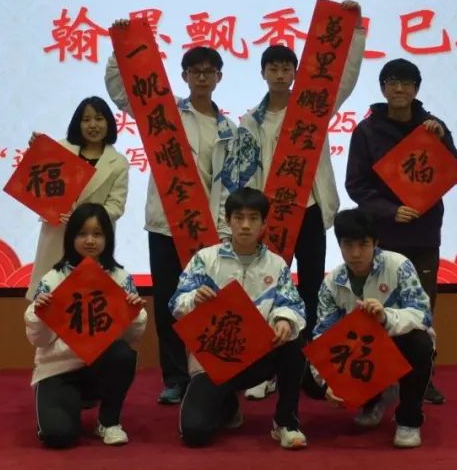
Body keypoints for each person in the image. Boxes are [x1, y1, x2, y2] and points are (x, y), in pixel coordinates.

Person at [230, 0, 365, 400]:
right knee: (268, 290)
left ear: (294, 73)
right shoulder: (249, 121)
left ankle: (305, 366)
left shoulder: (314, 107)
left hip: (308, 212)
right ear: (263, 73)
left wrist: (355, 31)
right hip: (270, 218)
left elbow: (344, 79)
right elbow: (246, 173)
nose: (280, 74)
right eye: (273, 68)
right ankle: (266, 369)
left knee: (308, 290)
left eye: (286, 68)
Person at [105, 32, 237, 405]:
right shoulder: (165, 113)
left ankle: (209, 372)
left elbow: (231, 182)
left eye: (208, 72)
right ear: (183, 76)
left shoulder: (230, 130)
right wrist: (119, 50)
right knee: (169, 302)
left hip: (209, 231)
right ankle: (175, 377)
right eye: (195, 72)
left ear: (219, 77)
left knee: (208, 303)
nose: (201, 78)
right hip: (166, 226)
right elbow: (122, 95)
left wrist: (225, 230)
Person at [344, 58, 457, 405]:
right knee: (377, 307)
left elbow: (453, 170)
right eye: (392, 82)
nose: (399, 89)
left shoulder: (432, 127)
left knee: (421, 306)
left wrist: (442, 143)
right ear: (382, 88)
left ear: (416, 89)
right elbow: (356, 185)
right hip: (383, 237)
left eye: (407, 83)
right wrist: (390, 210)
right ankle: (378, 380)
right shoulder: (366, 131)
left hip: (423, 235)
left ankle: (423, 378)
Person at [171, 188, 309, 450]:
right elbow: (176, 303)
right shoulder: (205, 259)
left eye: (253, 218)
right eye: (238, 217)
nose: (245, 225)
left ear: (264, 223)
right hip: (215, 359)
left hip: (260, 356)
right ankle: (228, 404)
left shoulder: (277, 264)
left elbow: (292, 304)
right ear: (227, 221)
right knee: (194, 434)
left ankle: (286, 422)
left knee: (294, 342)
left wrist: (284, 319)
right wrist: (193, 300)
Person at [306, 207, 434, 448]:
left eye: (363, 244)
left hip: (398, 343)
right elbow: (323, 335)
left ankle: (408, 420)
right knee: (309, 377)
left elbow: (422, 314)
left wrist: (386, 317)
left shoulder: (399, 266)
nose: (355, 253)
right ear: (339, 245)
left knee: (420, 342)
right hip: (359, 351)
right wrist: (328, 381)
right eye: (348, 245)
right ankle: (374, 400)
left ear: (375, 243)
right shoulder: (331, 283)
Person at [24, 203, 147, 448]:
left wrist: (134, 314)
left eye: (97, 234)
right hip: (59, 369)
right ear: (71, 238)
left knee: (123, 355)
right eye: (82, 234)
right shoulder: (53, 279)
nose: (90, 241)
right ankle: (59, 408)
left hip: (99, 367)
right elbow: (39, 340)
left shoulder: (121, 278)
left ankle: (109, 421)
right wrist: (40, 313)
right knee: (58, 437)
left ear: (108, 238)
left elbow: (131, 337)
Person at [26, 96, 129, 301]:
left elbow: (116, 206)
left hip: (92, 239)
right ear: (77, 123)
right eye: (86, 119)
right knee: (48, 300)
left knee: (86, 302)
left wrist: (83, 219)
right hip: (57, 232)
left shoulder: (118, 163)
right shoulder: (61, 149)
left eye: (99, 118)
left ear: (109, 122)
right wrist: (36, 150)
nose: (93, 125)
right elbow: (39, 182)